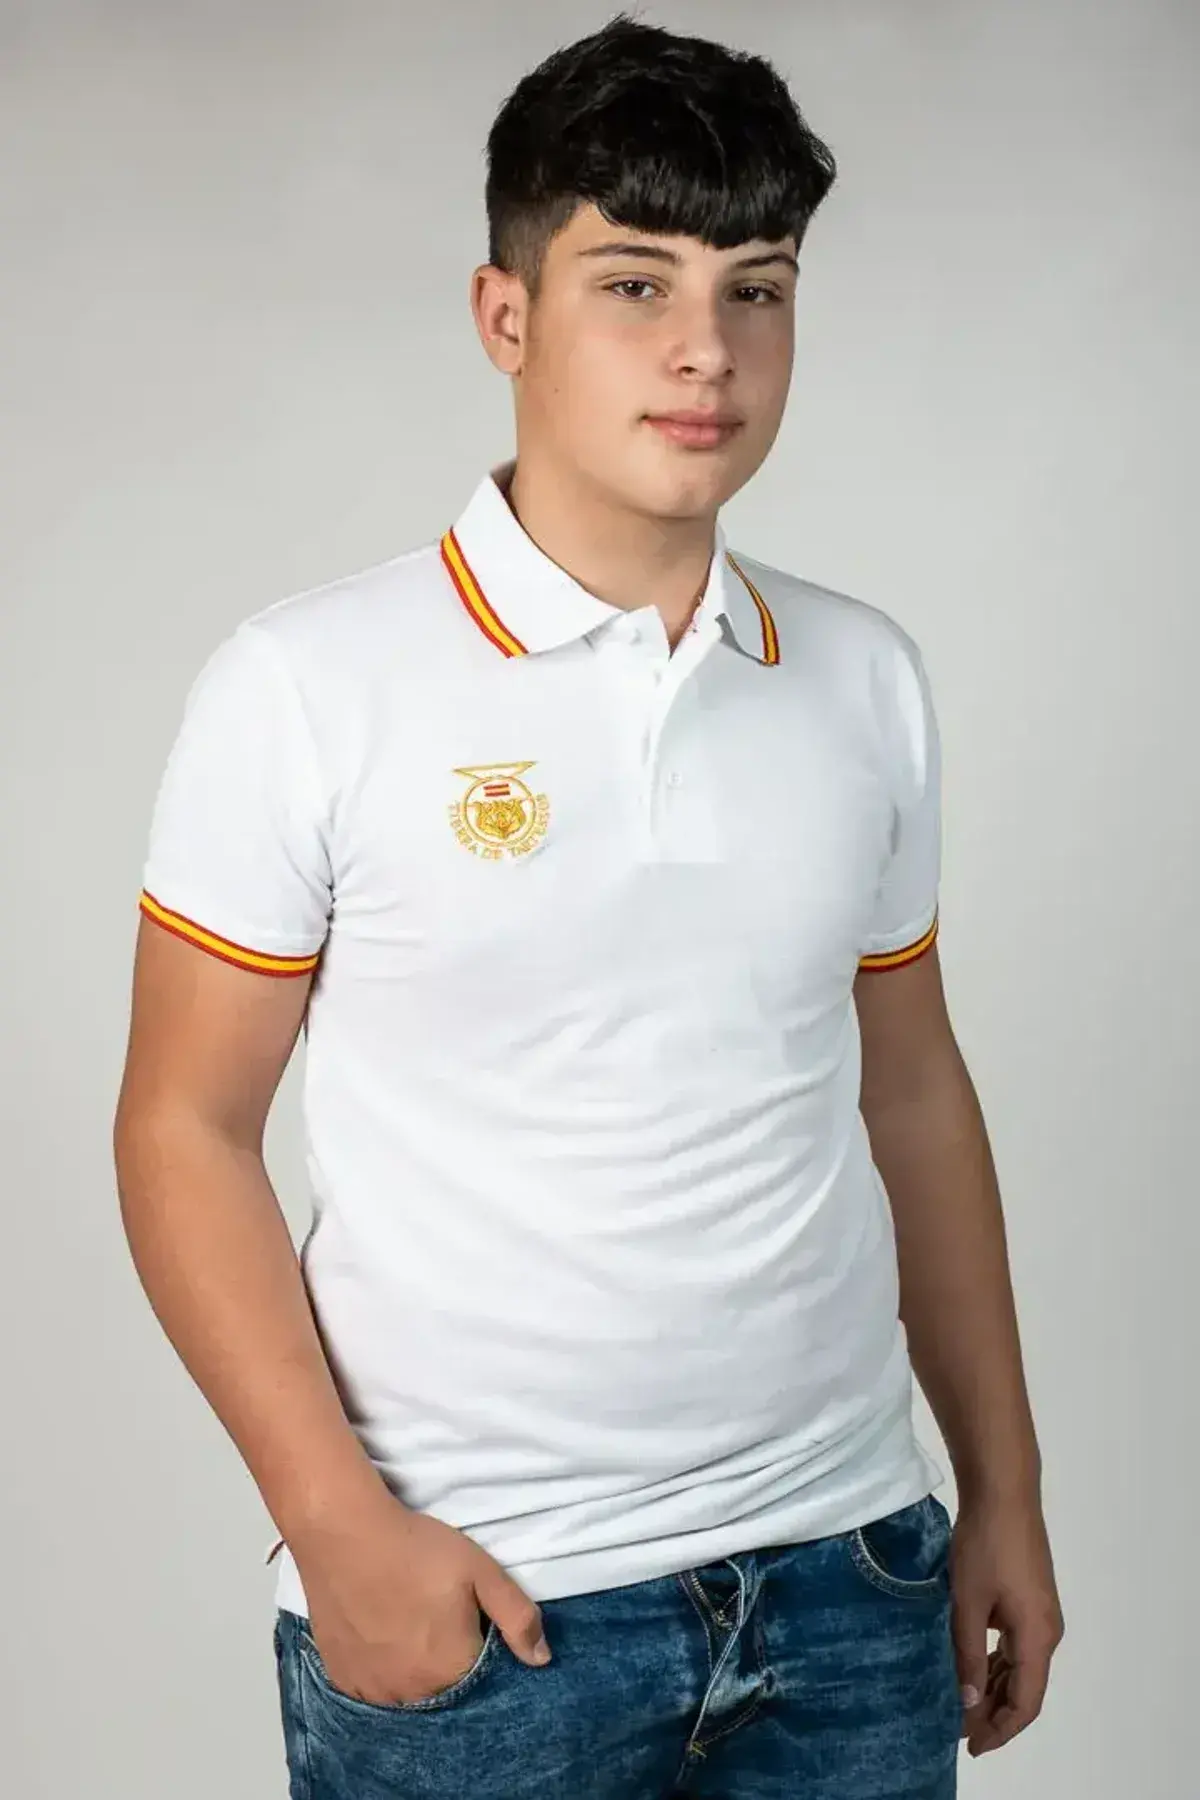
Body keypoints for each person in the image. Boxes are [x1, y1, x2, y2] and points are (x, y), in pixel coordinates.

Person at [113, 12, 1064, 1796]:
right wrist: (336, 1527)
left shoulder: (865, 676)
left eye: (757, 289)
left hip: (853, 1578)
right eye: (636, 285)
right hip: (492, 1612)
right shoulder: (307, 684)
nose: (708, 349)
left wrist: (1001, 1490)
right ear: (506, 316)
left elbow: (914, 1092)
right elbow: (183, 1124)